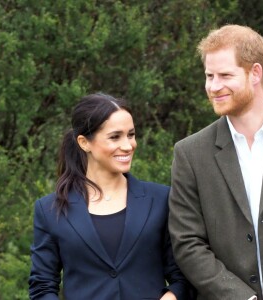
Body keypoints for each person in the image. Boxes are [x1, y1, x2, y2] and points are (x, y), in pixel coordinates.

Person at [29, 93, 195, 300]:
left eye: (131, 135)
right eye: (115, 137)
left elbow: (184, 276)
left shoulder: (161, 199)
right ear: (84, 142)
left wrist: (170, 297)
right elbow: (42, 287)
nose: (128, 145)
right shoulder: (49, 209)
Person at [168, 24, 263, 300]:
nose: (214, 87)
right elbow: (188, 243)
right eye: (209, 76)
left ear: (255, 73)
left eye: (225, 75)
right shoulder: (190, 153)